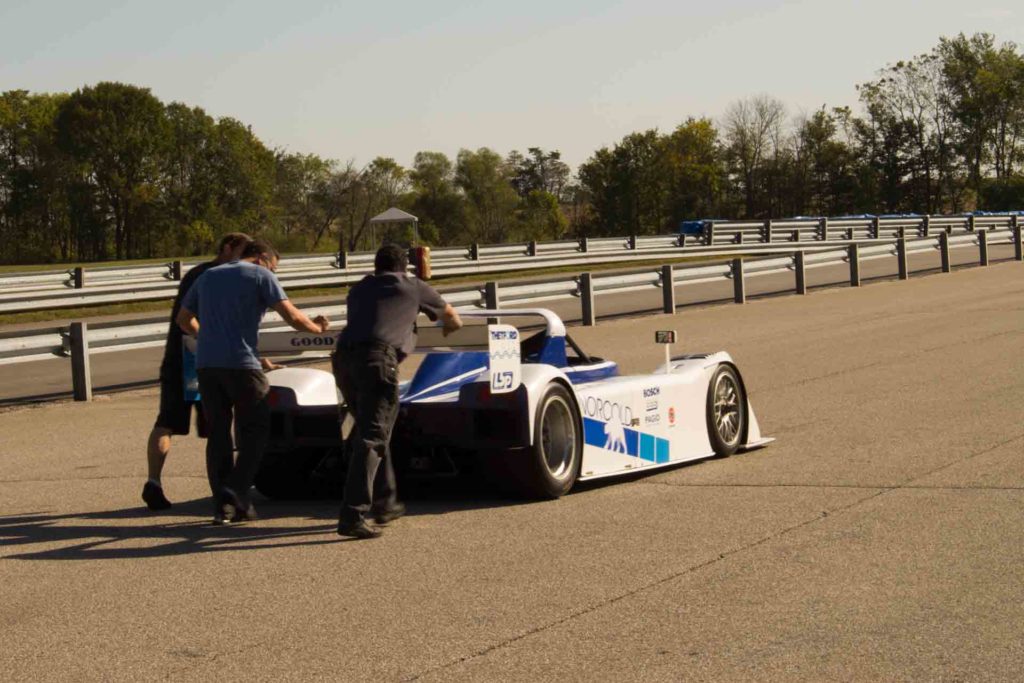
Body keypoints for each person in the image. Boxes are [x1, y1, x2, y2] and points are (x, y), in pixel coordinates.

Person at [176, 239, 330, 524]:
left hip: (207, 366)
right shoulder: (261, 275)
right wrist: (318, 329)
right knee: (257, 431)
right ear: (261, 258)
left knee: (219, 434)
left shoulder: (209, 276)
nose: (275, 273)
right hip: (242, 364)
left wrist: (208, 335)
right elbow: (293, 317)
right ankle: (234, 491)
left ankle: (224, 507)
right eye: (274, 267)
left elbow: (184, 320)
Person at [334, 244, 463, 539]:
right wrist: (446, 329)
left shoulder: (359, 289)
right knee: (373, 437)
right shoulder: (413, 286)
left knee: (374, 431)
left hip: (343, 360)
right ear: (404, 266)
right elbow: (452, 318)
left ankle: (385, 501)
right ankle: (352, 514)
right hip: (377, 361)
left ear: (376, 265)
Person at [142, 232, 251, 511]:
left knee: (168, 422)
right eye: (243, 250)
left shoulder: (198, 273)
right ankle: (222, 489)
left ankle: (154, 481)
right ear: (227, 248)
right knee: (217, 427)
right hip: (202, 362)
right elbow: (188, 320)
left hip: (180, 360)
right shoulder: (214, 276)